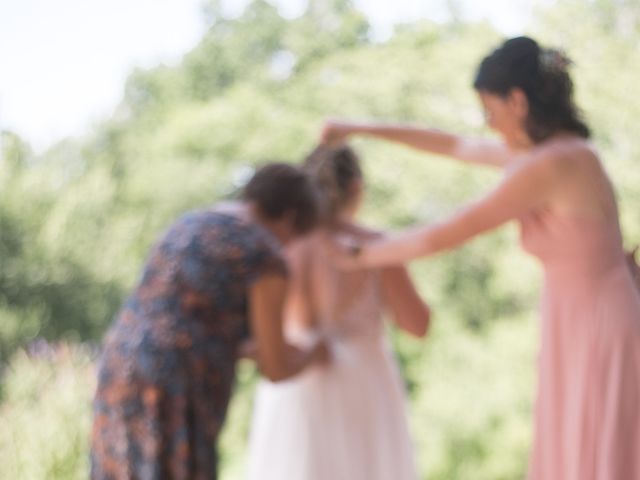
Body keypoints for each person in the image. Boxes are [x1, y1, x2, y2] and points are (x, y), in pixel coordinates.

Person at [322, 36, 640, 480]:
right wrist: (360, 128)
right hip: (576, 314)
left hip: (598, 320)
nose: (488, 126)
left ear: (518, 101)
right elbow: (452, 145)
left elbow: (446, 232)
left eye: (490, 112)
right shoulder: (556, 156)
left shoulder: (554, 164)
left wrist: (361, 255)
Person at [90, 163, 328, 480]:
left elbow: (186, 317)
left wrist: (244, 347)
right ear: (290, 217)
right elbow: (276, 367)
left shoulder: (192, 222)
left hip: (120, 361)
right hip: (177, 380)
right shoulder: (264, 253)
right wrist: (316, 350)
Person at [245, 145, 430, 480]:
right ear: (356, 189)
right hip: (364, 384)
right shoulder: (374, 244)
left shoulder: (284, 247)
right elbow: (417, 324)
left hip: (294, 381)